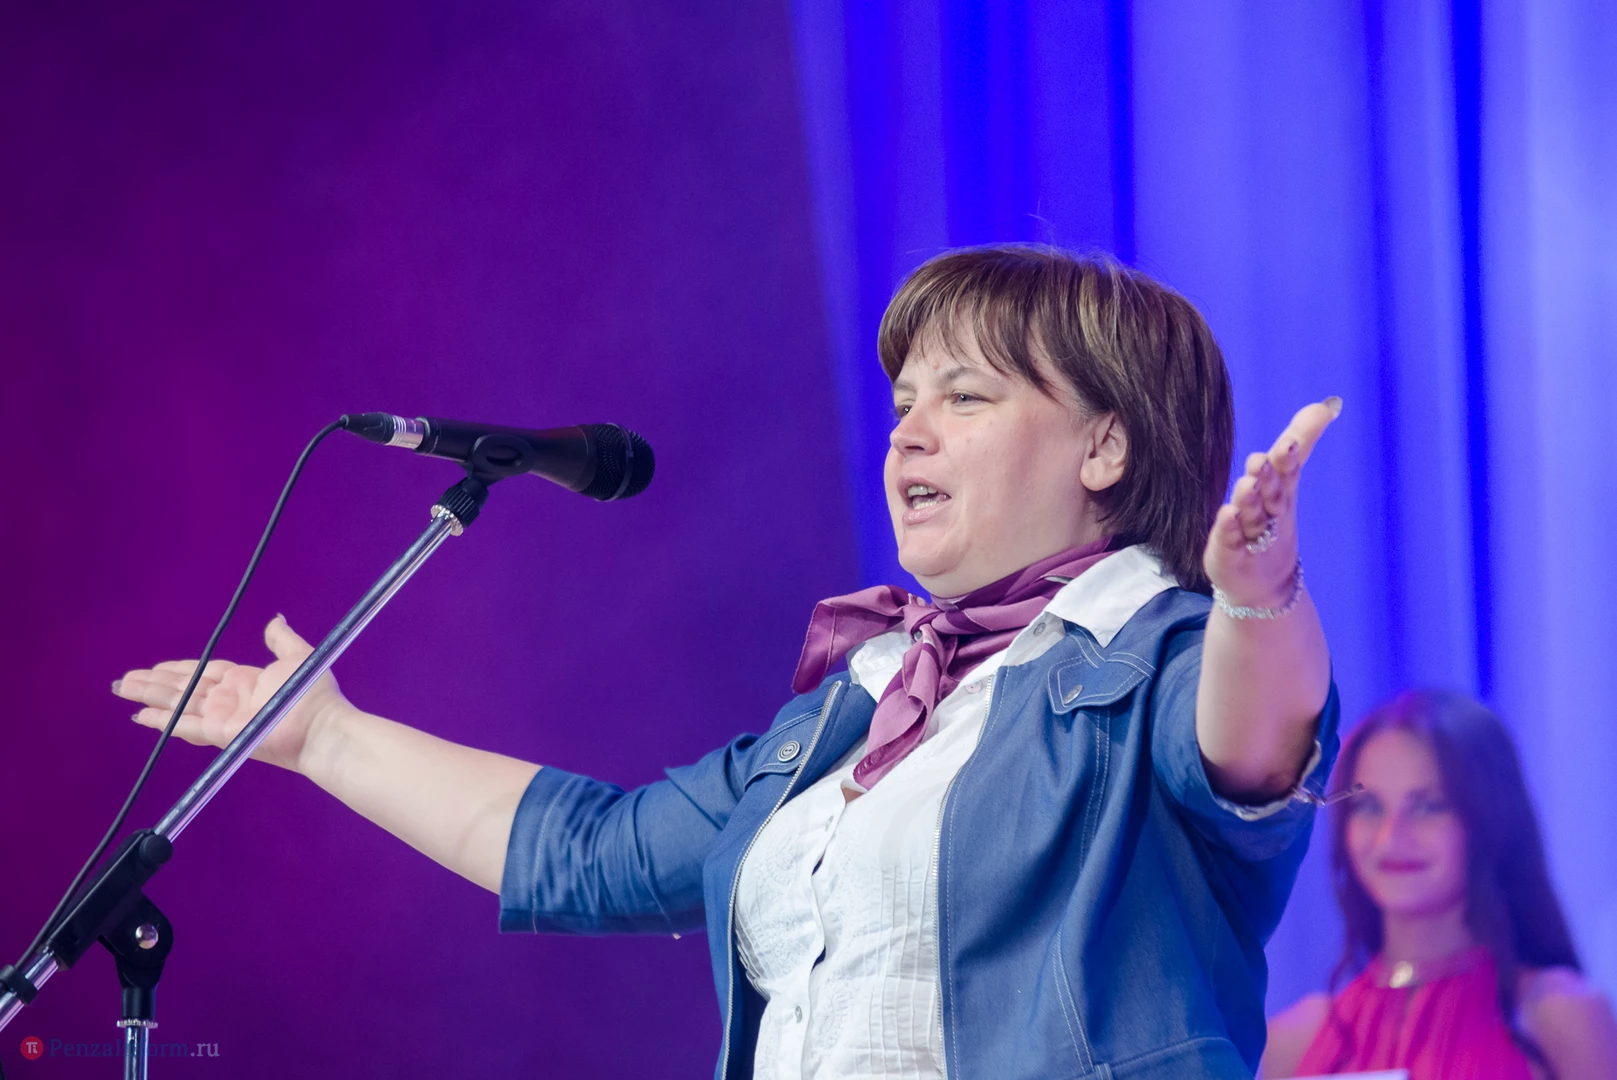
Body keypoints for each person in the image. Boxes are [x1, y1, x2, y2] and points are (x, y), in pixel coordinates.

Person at [116, 245, 1342, 1079]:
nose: (909, 432)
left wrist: (1259, 596)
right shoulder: (862, 709)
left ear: (1105, 447)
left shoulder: (1160, 657)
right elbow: (592, 850)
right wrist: (327, 737)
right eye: (903, 403)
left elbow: (1253, 746)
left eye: (964, 398)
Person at [1262, 690, 1617, 1080]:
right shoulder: (1296, 1040)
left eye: (1428, 806)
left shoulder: (1560, 1016)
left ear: (1489, 820)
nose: (1390, 838)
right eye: (1369, 807)